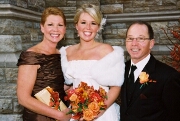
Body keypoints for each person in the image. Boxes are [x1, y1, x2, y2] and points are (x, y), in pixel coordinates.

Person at [60, 4, 125, 121]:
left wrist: (97, 112)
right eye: (83, 22)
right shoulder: (66, 52)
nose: (88, 27)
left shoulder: (108, 50)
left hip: (103, 113)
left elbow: (116, 87)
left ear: (98, 27)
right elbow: (68, 85)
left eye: (93, 23)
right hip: (77, 113)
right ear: (76, 25)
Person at [16, 7, 71, 121]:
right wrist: (59, 115)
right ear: (42, 27)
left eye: (60, 25)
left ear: (65, 29)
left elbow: (56, 84)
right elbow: (23, 98)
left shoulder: (62, 54)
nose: (55, 29)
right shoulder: (31, 56)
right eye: (50, 24)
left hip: (61, 110)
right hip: (39, 117)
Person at [120, 21, 180, 121]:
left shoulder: (168, 76)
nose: (134, 43)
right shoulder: (121, 69)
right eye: (130, 38)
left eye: (141, 38)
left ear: (151, 43)